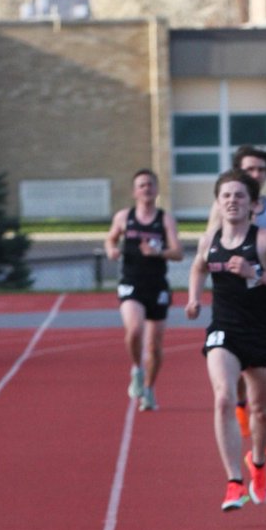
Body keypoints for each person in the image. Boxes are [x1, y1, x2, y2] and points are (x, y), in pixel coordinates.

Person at [186, 169, 266, 512]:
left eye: (239, 196)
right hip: (224, 330)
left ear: (252, 204)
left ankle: (258, 467)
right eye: (226, 196)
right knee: (223, 397)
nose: (232, 201)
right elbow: (197, 267)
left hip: (262, 333)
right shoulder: (209, 240)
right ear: (218, 204)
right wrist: (194, 298)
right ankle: (234, 482)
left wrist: (256, 274)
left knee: (261, 412)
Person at [207, 145, 266, 453]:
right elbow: (211, 242)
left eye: (261, 169)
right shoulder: (226, 204)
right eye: (250, 169)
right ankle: (242, 408)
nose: (256, 174)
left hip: (265, 289)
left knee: (257, 361)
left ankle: (258, 413)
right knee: (233, 362)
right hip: (234, 293)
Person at [105, 168, 183, 410]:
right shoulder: (124, 217)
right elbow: (110, 238)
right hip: (131, 282)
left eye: (150, 184)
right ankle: (137, 370)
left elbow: (178, 252)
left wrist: (158, 252)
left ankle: (149, 389)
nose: (146, 189)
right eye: (141, 185)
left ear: (157, 190)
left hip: (157, 286)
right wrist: (111, 249)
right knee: (135, 329)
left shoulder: (165, 219)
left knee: (155, 346)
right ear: (134, 191)